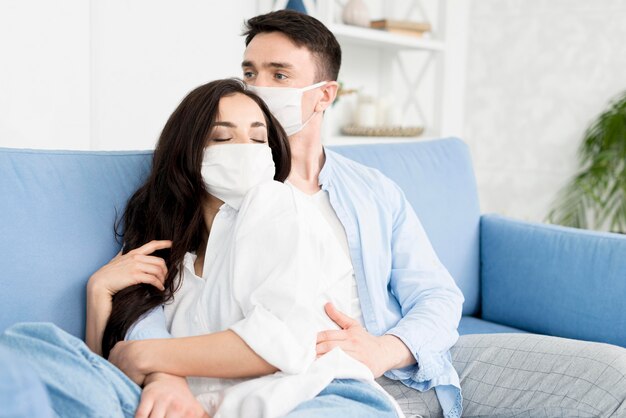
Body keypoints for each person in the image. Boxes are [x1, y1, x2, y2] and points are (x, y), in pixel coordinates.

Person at [115, 9, 626, 418]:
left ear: (324, 96)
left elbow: (437, 294)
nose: (256, 88)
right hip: (314, 385)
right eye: (249, 72)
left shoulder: (373, 189)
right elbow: (152, 300)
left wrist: (388, 349)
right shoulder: (220, 179)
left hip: (418, 368)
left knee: (614, 376)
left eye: (278, 74)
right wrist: (164, 372)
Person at [0, 78, 402, 418]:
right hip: (220, 408)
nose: (245, 148)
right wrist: (99, 293)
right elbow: (104, 372)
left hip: (321, 398)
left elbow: (277, 344)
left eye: (258, 136)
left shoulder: (277, 204)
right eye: (222, 137)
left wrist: (149, 359)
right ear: (188, 153)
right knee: (27, 343)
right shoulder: (169, 261)